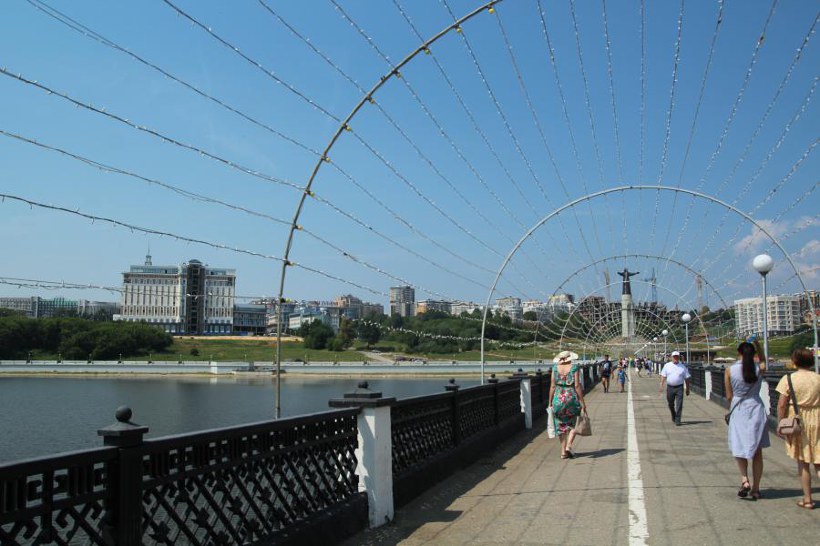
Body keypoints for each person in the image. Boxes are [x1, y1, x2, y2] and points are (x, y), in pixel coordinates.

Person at [775, 348, 820, 509]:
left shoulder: (789, 379)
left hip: (798, 421)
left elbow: (781, 404)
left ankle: (808, 500)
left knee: (803, 461)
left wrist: (780, 423)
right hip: (817, 419)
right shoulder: (818, 378)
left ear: (795, 361)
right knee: (818, 461)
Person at [725, 340, 768, 500]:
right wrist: (758, 344)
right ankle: (756, 489)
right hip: (756, 408)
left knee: (739, 445)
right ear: (753, 354)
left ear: (739, 353)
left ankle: (744, 479)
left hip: (739, 409)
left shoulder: (730, 370)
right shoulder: (758, 368)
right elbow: (763, 360)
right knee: (757, 451)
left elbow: (729, 396)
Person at [548, 350, 586, 459]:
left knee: (560, 425)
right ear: (570, 358)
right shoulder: (574, 367)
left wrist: (550, 402)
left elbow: (552, 386)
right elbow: (577, 386)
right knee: (574, 422)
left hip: (558, 399)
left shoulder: (555, 368)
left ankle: (563, 452)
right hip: (571, 398)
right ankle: (568, 446)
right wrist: (582, 402)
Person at [659, 351, 690, 426]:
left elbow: (687, 378)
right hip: (670, 387)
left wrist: (687, 388)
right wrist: (661, 385)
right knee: (670, 403)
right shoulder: (667, 365)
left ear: (679, 357)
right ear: (671, 357)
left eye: (677, 356)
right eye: (674, 357)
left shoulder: (683, 367)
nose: (676, 358)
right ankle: (673, 414)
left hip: (679, 387)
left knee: (679, 404)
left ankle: (678, 420)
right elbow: (663, 376)